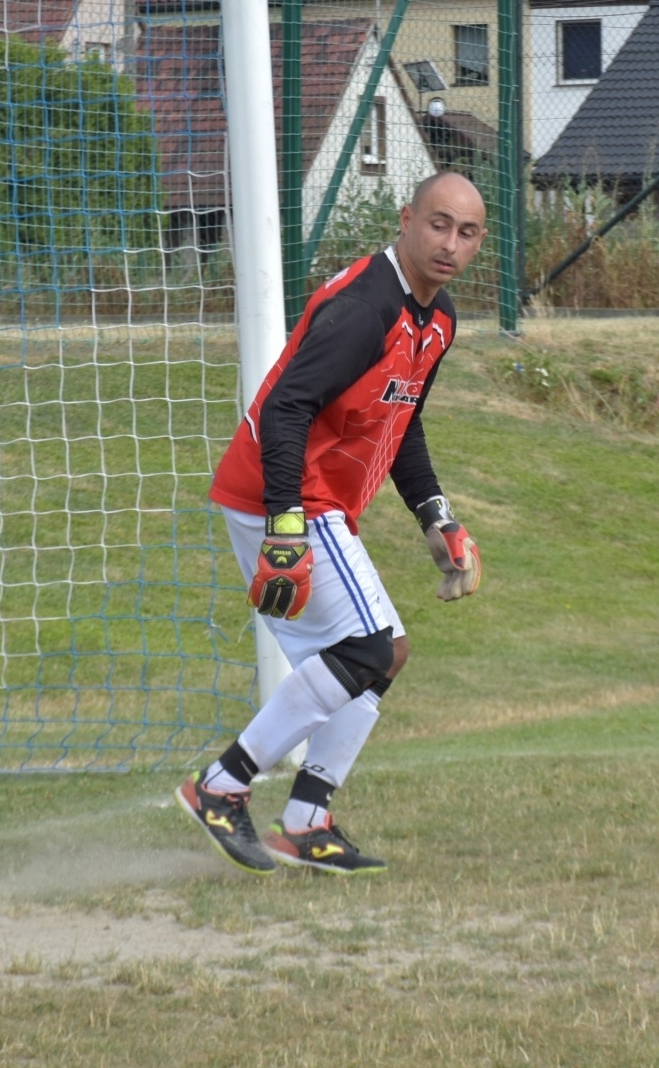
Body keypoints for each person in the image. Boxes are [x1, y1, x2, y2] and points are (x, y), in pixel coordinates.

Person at [175, 172, 488, 875]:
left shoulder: (437, 321)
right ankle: (221, 786)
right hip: (282, 495)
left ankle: (307, 819)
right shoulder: (365, 305)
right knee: (368, 651)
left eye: (466, 233)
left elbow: (402, 426)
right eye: (438, 223)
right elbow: (285, 407)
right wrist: (286, 527)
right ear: (406, 219)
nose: (449, 243)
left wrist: (436, 516)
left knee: (385, 655)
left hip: (310, 503)